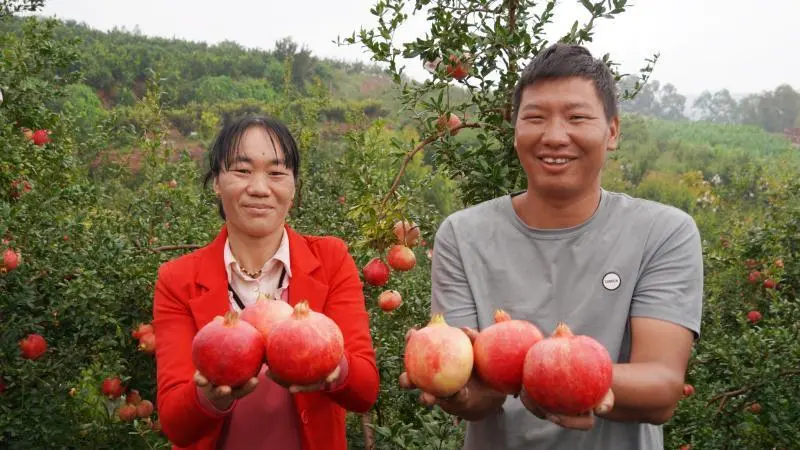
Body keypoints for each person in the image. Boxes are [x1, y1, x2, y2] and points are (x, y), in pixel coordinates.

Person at [399, 43, 704, 449]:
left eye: (577, 117)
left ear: (612, 131)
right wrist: (453, 387)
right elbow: (478, 395)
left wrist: (556, 377)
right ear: (515, 130)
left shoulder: (663, 232)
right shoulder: (462, 235)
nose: (555, 136)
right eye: (535, 118)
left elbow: (662, 386)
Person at [152, 115, 380, 450]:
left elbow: (365, 391)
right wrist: (208, 396)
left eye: (276, 173)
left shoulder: (331, 261)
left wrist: (331, 363)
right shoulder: (177, 280)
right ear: (216, 181)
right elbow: (175, 424)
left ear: (293, 186)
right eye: (242, 171)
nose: (260, 188)